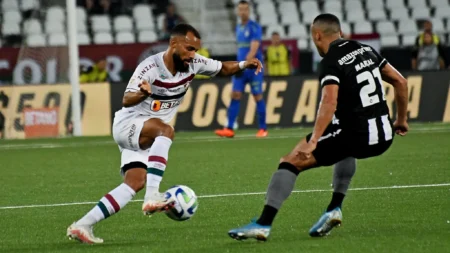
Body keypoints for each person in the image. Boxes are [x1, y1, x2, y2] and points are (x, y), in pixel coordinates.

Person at [67, 23, 262, 244]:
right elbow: (126, 99)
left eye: (195, 50)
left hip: (147, 135)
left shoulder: (194, 64)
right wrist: (142, 93)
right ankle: (153, 195)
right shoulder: (150, 67)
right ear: (173, 44)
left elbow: (223, 68)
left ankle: (83, 225)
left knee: (134, 182)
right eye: (189, 48)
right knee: (167, 130)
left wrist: (245, 64)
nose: (192, 55)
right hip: (129, 124)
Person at [228, 13, 409, 241]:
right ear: (340, 32)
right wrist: (401, 120)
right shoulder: (365, 49)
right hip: (384, 136)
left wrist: (314, 139)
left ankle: (263, 224)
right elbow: (401, 81)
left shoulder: (331, 60)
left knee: (290, 160)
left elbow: (329, 101)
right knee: (344, 144)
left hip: (358, 135)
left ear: (317, 35)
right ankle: (334, 207)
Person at [215, 0, 267, 138]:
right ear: (238, 11)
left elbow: (254, 48)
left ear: (248, 11)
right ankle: (229, 128)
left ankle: (263, 128)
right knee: (235, 95)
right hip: (242, 67)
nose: (243, 12)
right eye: (241, 9)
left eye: (245, 9)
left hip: (253, 68)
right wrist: (240, 66)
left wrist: (245, 64)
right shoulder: (238, 28)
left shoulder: (254, 27)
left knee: (257, 96)